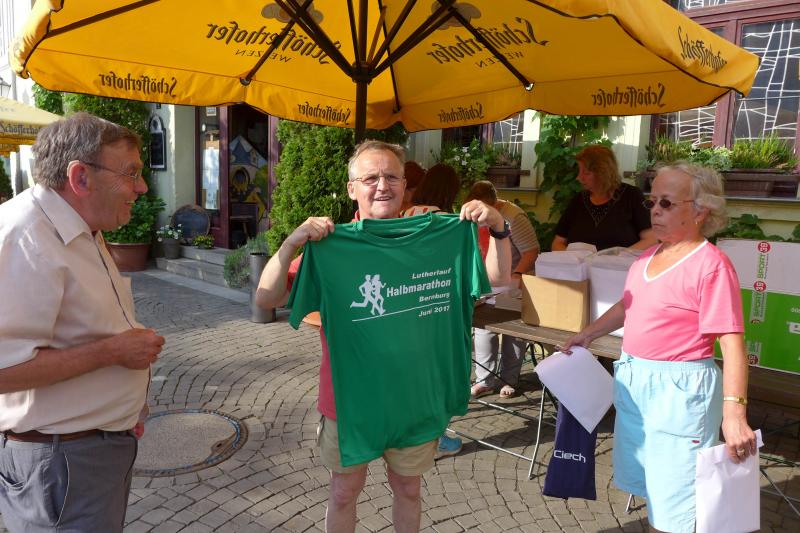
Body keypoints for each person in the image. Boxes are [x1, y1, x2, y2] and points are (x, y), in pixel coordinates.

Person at [255, 140, 511, 533]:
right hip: (349, 402)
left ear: (405, 185)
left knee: (409, 489)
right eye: (370, 178)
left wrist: (498, 227)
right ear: (351, 188)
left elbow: (497, 277)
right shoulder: (332, 246)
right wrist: (291, 243)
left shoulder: (439, 236)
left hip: (414, 399)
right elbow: (266, 298)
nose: (381, 185)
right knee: (344, 492)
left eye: (391, 176)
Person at [561, 163, 756, 533]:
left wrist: (734, 413)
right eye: (652, 202)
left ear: (700, 211)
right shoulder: (648, 257)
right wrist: (588, 334)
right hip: (637, 384)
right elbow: (629, 304)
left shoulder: (711, 266)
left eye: (666, 203)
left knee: (677, 501)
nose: (654, 210)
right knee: (655, 487)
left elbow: (732, 343)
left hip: (679, 393)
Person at [0, 112, 165, 532]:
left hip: (84, 454)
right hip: (62, 464)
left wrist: (121, 411)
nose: (142, 187)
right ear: (80, 178)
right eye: (131, 173)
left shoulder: (82, 227)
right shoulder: (25, 236)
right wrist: (113, 352)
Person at [466, 180, 540, 399]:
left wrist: (517, 274)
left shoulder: (514, 216)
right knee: (484, 329)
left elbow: (531, 251)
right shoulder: (473, 214)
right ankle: (484, 380)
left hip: (514, 282)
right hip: (487, 283)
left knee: (513, 331)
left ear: (494, 204)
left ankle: (509, 379)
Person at [552, 145, 655, 251]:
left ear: (603, 173)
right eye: (579, 171)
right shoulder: (578, 201)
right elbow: (557, 243)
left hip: (622, 261)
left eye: (586, 173)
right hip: (578, 262)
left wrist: (621, 256)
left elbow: (651, 239)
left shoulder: (631, 196)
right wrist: (573, 258)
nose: (579, 177)